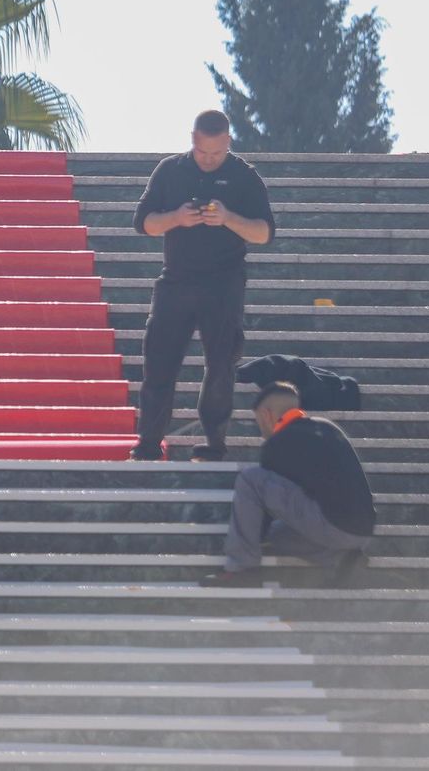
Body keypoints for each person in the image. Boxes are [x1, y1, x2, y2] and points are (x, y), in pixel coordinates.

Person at [129, 110, 275, 461]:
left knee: (222, 365)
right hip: (176, 279)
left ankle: (214, 443)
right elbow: (143, 223)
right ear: (193, 139)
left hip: (224, 283)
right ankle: (148, 443)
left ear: (228, 142)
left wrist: (227, 218)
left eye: (217, 153)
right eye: (203, 152)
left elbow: (265, 233)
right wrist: (177, 218)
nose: (209, 160)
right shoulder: (170, 170)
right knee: (159, 362)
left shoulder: (244, 176)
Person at [200, 382, 374, 587]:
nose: (261, 431)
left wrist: (245, 539)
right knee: (276, 535)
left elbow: (263, 510)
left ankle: (241, 568)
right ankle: (340, 558)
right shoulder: (328, 427)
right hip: (361, 530)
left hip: (330, 525)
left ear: (266, 414)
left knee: (251, 479)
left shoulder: (277, 444)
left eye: (258, 422)